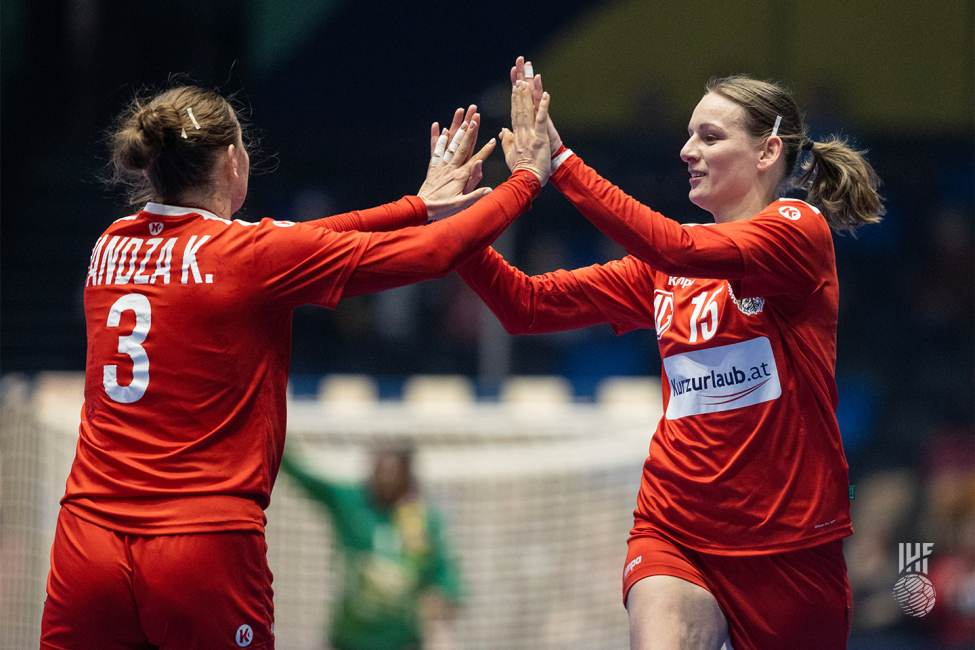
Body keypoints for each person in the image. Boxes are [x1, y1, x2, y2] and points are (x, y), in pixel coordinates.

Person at [40, 80, 551, 650]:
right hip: (200, 542)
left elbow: (295, 241)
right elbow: (435, 254)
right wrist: (529, 178)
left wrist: (417, 205)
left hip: (87, 537)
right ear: (233, 160)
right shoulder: (248, 256)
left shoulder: (110, 244)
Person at [457, 57, 884, 650]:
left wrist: (562, 164)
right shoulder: (662, 270)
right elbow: (524, 307)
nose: (687, 150)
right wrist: (461, 229)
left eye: (710, 137)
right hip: (674, 530)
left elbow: (678, 246)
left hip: (787, 546)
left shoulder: (798, 230)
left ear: (767, 153)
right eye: (688, 136)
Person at [281, 446, 461, 650]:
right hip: (349, 638)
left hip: (402, 639)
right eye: (379, 471)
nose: (385, 479)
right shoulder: (350, 502)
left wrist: (444, 596)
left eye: (393, 473)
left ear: (407, 477)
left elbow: (443, 572)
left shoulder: (421, 519)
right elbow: (307, 478)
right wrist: (275, 441)